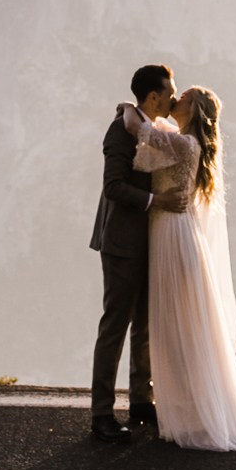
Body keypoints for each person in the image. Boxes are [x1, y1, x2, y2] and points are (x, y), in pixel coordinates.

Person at [120, 86, 236, 452]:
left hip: (174, 235)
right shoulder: (181, 139)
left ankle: (196, 410)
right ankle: (187, 407)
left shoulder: (186, 144)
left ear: (195, 108)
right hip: (167, 231)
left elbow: (134, 126)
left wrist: (128, 104)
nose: (177, 99)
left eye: (184, 96)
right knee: (174, 322)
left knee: (181, 323)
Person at [89, 63, 172, 443]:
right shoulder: (119, 132)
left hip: (147, 243)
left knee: (145, 325)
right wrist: (157, 200)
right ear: (152, 96)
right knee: (115, 327)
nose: (173, 97)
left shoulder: (145, 125)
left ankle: (141, 400)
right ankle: (102, 413)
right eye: (168, 92)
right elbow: (114, 187)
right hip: (122, 244)